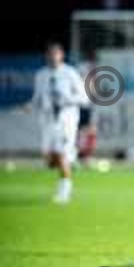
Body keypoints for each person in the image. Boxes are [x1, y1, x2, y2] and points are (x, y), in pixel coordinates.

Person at [32, 42, 88, 203]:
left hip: (66, 120)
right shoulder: (41, 75)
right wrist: (29, 106)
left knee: (62, 153)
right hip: (48, 121)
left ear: (61, 55)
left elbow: (84, 98)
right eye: (49, 54)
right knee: (49, 160)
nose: (52, 57)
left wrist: (67, 100)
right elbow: (37, 98)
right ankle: (71, 158)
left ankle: (65, 189)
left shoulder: (70, 73)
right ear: (46, 56)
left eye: (55, 54)